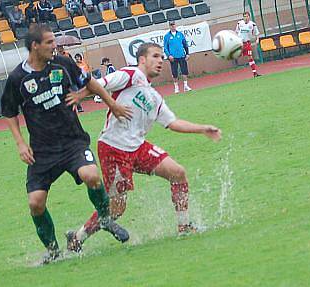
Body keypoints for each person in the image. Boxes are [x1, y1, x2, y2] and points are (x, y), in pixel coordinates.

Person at [64, 43, 222, 252]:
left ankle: (184, 227)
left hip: (137, 148)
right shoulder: (130, 75)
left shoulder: (154, 97)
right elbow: (98, 83)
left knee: (178, 173)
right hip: (114, 148)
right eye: (155, 56)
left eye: (162, 57)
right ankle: (77, 238)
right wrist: (80, 95)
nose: (160, 61)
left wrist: (202, 129)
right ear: (142, 60)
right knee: (117, 208)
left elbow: (173, 123)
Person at [0, 24, 133, 264]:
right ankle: (52, 251)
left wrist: (109, 104)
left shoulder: (62, 64)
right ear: (35, 46)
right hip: (42, 151)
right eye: (50, 42)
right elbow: (9, 112)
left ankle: (105, 220)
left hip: (72, 142)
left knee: (91, 175)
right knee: (35, 203)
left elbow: (90, 82)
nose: (55, 46)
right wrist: (20, 144)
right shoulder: (17, 78)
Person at [163, 21, 192, 94]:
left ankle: (185, 86)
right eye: (171, 25)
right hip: (173, 57)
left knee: (184, 71)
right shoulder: (167, 36)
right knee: (174, 72)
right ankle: (176, 87)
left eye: (173, 24)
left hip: (181, 55)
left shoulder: (180, 34)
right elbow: (165, 47)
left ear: (176, 25)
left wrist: (187, 53)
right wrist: (169, 55)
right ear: (169, 26)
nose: (172, 26)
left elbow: (185, 44)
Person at [235, 11, 261, 77]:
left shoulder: (252, 24)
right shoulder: (239, 23)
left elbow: (257, 33)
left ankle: (255, 72)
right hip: (240, 43)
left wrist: (257, 39)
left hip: (247, 43)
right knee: (236, 55)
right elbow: (236, 32)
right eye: (244, 16)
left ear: (249, 17)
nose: (245, 18)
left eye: (247, 16)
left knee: (250, 57)